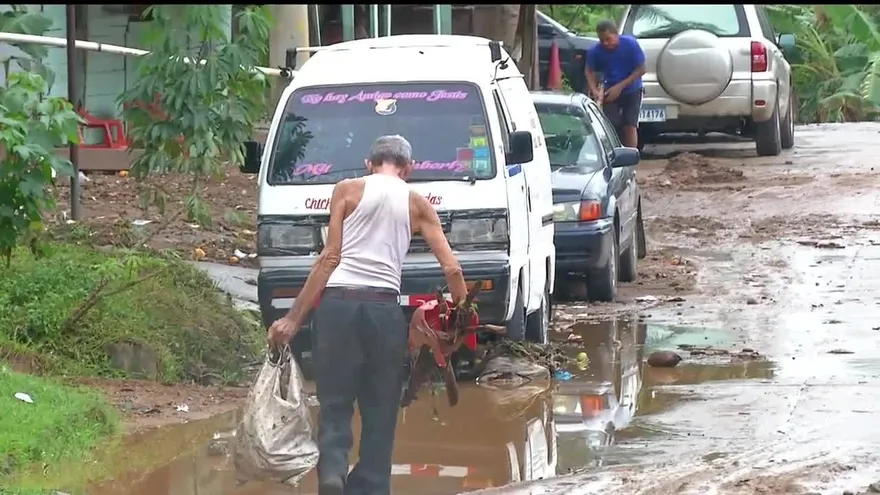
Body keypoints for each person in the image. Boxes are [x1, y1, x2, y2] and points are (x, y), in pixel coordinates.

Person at [267, 135, 468, 495]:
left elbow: (329, 258)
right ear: (409, 169)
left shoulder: (347, 190)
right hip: (383, 310)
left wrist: (293, 319)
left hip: (337, 307)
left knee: (335, 399)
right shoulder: (418, 204)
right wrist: (460, 315)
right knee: (381, 404)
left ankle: (332, 474)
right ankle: (371, 485)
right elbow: (452, 269)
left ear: (368, 163)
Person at [585, 19, 647, 148]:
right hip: (609, 90)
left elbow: (642, 69)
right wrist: (595, 91)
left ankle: (631, 159)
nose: (606, 43)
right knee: (611, 124)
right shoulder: (596, 51)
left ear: (616, 34)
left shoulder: (630, 44)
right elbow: (589, 71)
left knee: (630, 125)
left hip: (632, 88)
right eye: (602, 40)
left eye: (609, 39)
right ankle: (617, 155)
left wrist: (620, 87)